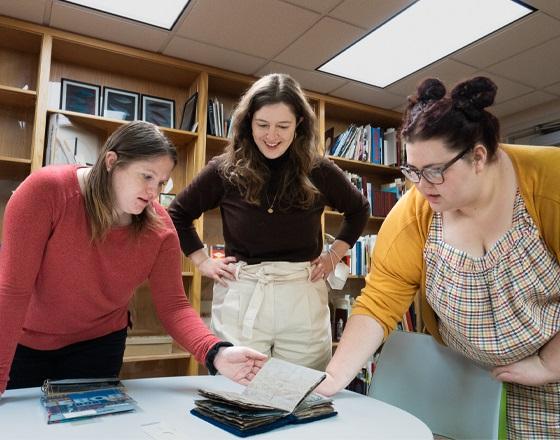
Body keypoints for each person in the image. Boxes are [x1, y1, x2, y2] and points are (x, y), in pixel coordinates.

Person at [315, 76, 560, 438]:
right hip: (469, 378)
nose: (421, 185)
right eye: (412, 170)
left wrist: (548, 363)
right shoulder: (414, 214)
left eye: (434, 171)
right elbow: (381, 301)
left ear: (478, 156)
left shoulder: (550, 181)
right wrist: (334, 377)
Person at [0, 121, 267, 397]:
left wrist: (216, 353)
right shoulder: (46, 192)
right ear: (112, 162)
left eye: (162, 182)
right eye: (146, 177)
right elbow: (12, 291)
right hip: (24, 341)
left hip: (98, 345)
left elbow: (174, 306)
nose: (154, 193)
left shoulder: (159, 228)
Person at [169, 73, 369, 371]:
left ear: (299, 124)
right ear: (248, 122)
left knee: (303, 388)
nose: (271, 136)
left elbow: (359, 209)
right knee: (237, 391)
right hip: (244, 291)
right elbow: (177, 213)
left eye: (282, 126)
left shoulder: (319, 170)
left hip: (302, 292)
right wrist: (202, 261)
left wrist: (334, 254)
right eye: (262, 125)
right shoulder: (225, 169)